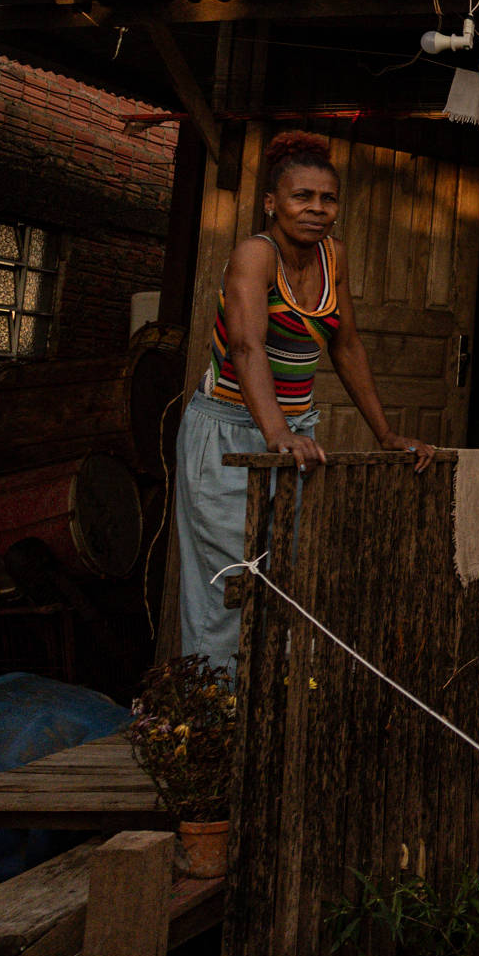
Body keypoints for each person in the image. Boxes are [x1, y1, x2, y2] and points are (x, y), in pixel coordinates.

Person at [174, 130, 438, 671]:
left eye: (328, 198)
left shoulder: (332, 256)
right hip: (229, 433)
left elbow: (346, 343)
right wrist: (276, 435)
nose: (317, 209)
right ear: (272, 203)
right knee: (231, 583)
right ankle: (211, 722)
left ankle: (269, 721)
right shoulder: (254, 253)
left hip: (294, 435)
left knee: (283, 582)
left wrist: (385, 433)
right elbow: (246, 347)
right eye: (302, 197)